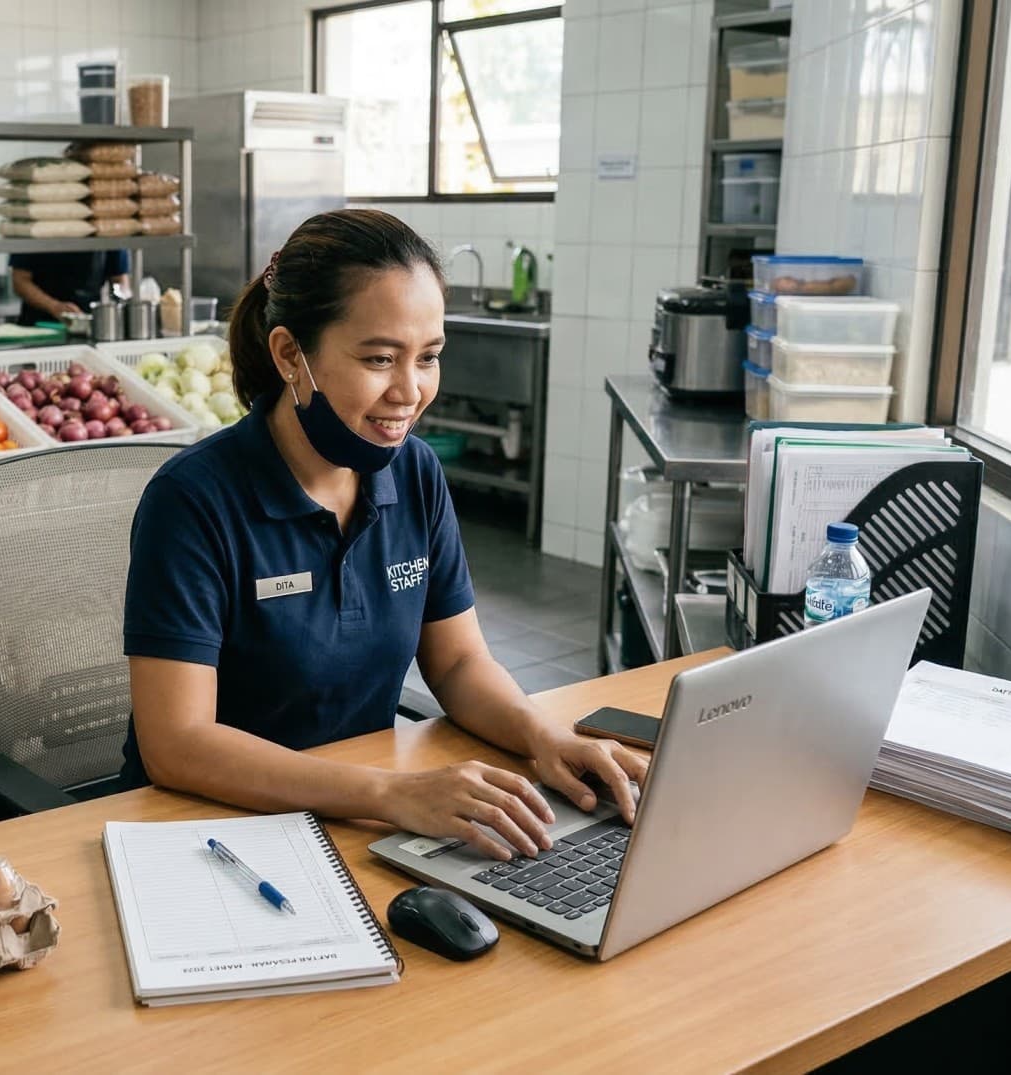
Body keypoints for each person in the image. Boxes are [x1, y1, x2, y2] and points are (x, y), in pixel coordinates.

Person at [121, 209, 648, 861]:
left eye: (428, 358)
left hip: (352, 822)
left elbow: (457, 662)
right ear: (289, 355)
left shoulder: (414, 472)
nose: (410, 391)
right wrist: (389, 793)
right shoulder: (193, 499)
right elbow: (176, 744)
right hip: (207, 833)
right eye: (378, 359)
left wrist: (544, 736)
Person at [9, 251, 131, 325]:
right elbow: (20, 281)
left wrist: (120, 305)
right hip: (39, 324)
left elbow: (120, 281)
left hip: (88, 322)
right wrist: (54, 307)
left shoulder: (106, 226)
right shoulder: (37, 225)